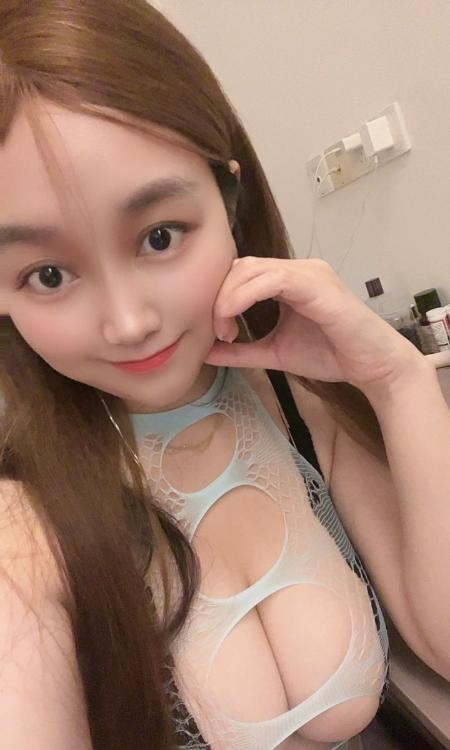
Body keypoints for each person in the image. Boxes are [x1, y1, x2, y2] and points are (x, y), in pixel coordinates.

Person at [0, 2, 449, 749]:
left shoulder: (296, 405)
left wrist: (398, 379)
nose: (127, 322)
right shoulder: (24, 524)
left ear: (229, 202)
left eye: (159, 236)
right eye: (48, 274)